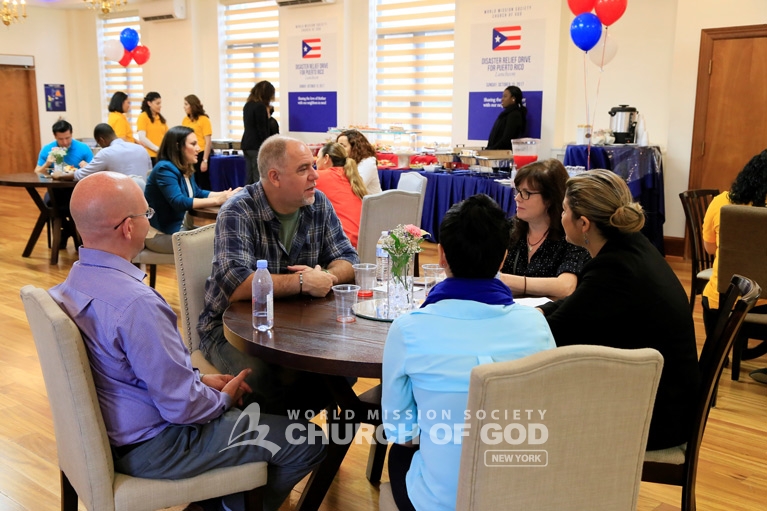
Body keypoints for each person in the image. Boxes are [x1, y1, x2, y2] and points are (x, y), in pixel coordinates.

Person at [49, 172, 325, 511]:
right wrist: (220, 399)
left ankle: (227, 496)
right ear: (127, 227)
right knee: (309, 440)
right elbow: (182, 408)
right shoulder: (137, 304)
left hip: (114, 435)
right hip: (158, 444)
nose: (148, 223)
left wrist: (198, 381)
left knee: (263, 413)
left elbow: (127, 369)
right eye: (145, 216)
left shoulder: (71, 285)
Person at [382, 194, 556, 511]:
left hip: (441, 502)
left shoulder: (408, 329)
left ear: (443, 256)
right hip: (519, 496)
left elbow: (400, 430)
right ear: (504, 258)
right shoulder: (536, 324)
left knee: (400, 453)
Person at [540, 169, 700, 450]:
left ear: (584, 223)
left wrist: (526, 319)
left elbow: (556, 333)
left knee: (535, 408)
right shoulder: (631, 246)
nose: (561, 217)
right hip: (669, 398)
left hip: (655, 418)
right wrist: (540, 311)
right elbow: (577, 305)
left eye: (564, 211)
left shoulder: (615, 268)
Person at [198, 135, 358, 415]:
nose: (315, 175)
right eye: (303, 169)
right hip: (231, 332)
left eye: (313, 166)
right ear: (274, 177)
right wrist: (301, 282)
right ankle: (289, 447)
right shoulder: (239, 210)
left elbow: (349, 260)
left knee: (341, 371)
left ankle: (304, 448)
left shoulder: (318, 204)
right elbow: (237, 285)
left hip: (295, 327)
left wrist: (327, 277)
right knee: (266, 380)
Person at [700, 149, 767, 383]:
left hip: (724, 298)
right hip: (765, 304)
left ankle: (720, 355)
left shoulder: (722, 202)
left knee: (711, 292)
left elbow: (709, 249)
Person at [499, 159, 589, 299]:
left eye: (526, 193)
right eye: (517, 191)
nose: (517, 198)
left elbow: (566, 287)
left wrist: (507, 281)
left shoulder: (571, 236)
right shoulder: (509, 229)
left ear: (550, 199)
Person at [144, 126, 240, 254]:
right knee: (219, 245)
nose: (199, 148)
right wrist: (218, 200)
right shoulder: (164, 168)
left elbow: (198, 193)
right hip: (159, 235)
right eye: (193, 144)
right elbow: (179, 201)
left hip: (178, 230)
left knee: (224, 238)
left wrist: (225, 194)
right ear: (178, 146)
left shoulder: (185, 167)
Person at [33, 120, 94, 248]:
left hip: (78, 190)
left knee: (77, 206)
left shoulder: (83, 148)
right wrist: (47, 164)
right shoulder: (48, 149)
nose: (65, 142)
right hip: (55, 191)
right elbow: (36, 172)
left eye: (68, 138)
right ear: (55, 136)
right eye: (61, 139)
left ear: (72, 134)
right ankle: (69, 231)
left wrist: (87, 167)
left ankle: (65, 233)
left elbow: (95, 171)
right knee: (48, 204)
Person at [51, 123, 151, 190]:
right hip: (143, 198)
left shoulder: (106, 153)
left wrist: (59, 175)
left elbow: (82, 175)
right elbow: (149, 173)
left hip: (119, 200)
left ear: (101, 140)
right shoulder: (141, 149)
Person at [314, 141, 368, 247]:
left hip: (343, 244)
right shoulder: (351, 177)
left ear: (326, 158)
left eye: (318, 157)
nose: (316, 162)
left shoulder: (319, 177)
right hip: (362, 242)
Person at [241, 80, 275, 185]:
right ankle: (258, 200)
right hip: (256, 145)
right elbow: (262, 130)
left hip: (246, 144)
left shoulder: (248, 105)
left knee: (249, 177)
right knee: (258, 177)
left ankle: (247, 199)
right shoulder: (260, 107)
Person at [182, 94, 214, 190]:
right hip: (188, 153)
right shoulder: (185, 120)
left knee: (203, 181)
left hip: (201, 153)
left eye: (186, 104)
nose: (184, 107)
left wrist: (205, 160)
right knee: (191, 180)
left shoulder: (204, 119)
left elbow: (208, 142)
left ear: (192, 105)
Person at [336, 129, 383, 194]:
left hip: (370, 202)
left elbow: (357, 187)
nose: (338, 149)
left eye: (343, 146)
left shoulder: (368, 162)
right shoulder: (342, 161)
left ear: (355, 148)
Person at [486, 85, 527, 150]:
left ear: (513, 98)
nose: (502, 99)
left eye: (505, 96)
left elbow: (507, 139)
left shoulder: (514, 115)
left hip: (503, 155)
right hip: (495, 153)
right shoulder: (505, 114)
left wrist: (492, 149)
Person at [137, 91, 168, 165]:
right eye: (157, 103)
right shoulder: (143, 117)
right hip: (149, 156)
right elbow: (142, 137)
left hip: (161, 155)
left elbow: (167, 135)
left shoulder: (160, 118)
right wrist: (157, 149)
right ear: (149, 103)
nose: (160, 106)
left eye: (160, 103)